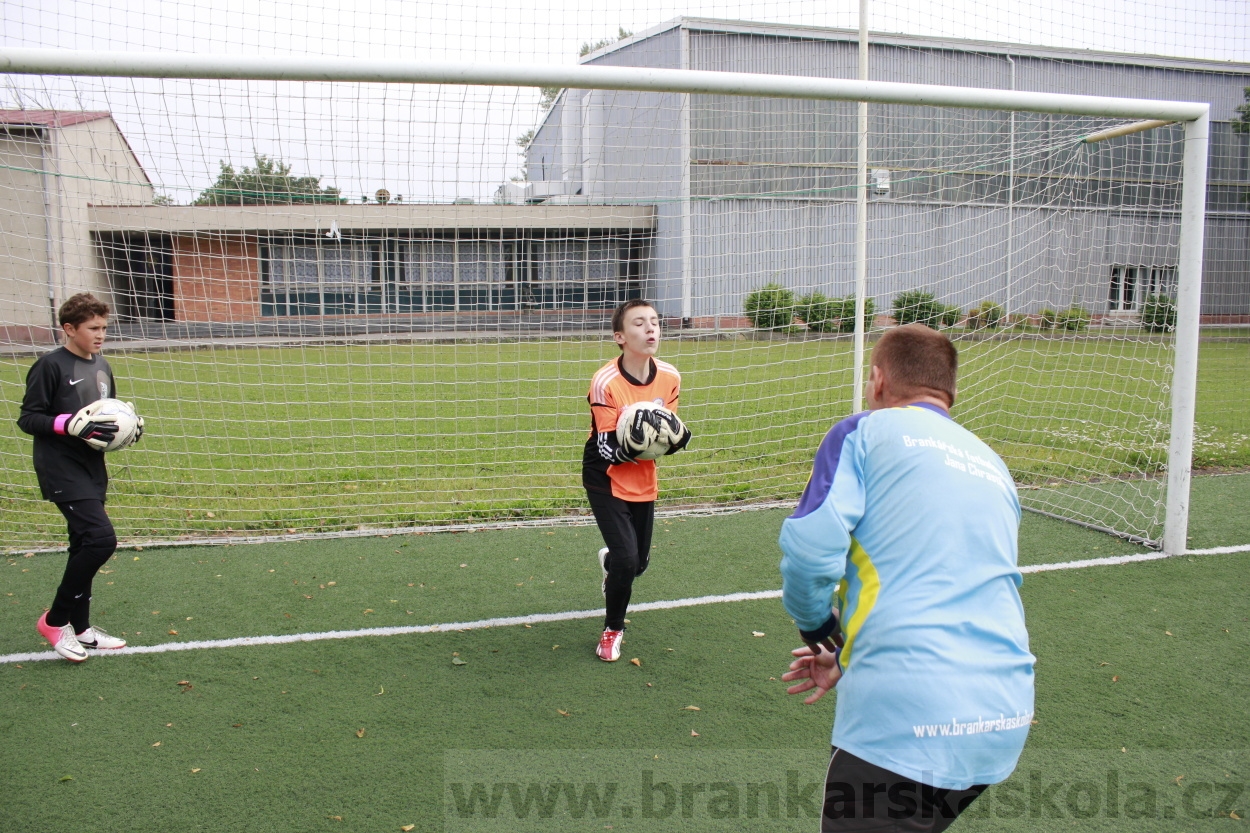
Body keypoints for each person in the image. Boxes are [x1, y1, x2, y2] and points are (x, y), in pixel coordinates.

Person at [779, 323, 1034, 832]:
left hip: (908, 716)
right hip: (1003, 710)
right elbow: (937, 583)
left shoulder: (864, 432)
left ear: (876, 381)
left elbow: (810, 551)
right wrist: (850, 660)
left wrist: (815, 626)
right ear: (951, 391)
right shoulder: (993, 463)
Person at [18, 292, 142, 663]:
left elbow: (106, 418)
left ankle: (83, 629)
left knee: (82, 544)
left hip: (91, 468)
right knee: (101, 540)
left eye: (104, 327)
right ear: (69, 328)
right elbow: (28, 418)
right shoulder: (50, 366)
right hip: (60, 468)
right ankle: (56, 621)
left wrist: (127, 428)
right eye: (92, 328)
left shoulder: (102, 365)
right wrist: (67, 424)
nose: (100, 334)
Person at [583, 299, 691, 662]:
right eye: (640, 323)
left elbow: (667, 438)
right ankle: (613, 630)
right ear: (620, 336)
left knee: (636, 564)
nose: (651, 329)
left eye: (655, 322)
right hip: (604, 473)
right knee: (628, 560)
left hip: (642, 477)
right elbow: (606, 446)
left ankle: (612, 565)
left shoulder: (670, 376)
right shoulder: (605, 382)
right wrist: (645, 439)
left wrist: (676, 438)